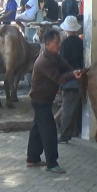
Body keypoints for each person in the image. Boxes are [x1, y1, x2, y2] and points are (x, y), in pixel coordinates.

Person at [27, 29, 82, 174]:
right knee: (49, 130)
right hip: (40, 100)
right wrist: (73, 75)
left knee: (37, 129)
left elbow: (66, 67)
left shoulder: (54, 56)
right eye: (57, 43)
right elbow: (59, 78)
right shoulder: (44, 61)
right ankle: (52, 163)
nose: (59, 45)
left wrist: (75, 71)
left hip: (45, 99)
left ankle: (32, 158)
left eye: (59, 42)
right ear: (48, 43)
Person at [58, 16, 84, 143]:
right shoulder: (81, 42)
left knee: (67, 108)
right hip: (80, 77)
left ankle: (64, 135)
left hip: (69, 78)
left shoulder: (64, 43)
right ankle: (77, 130)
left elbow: (61, 63)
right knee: (78, 107)